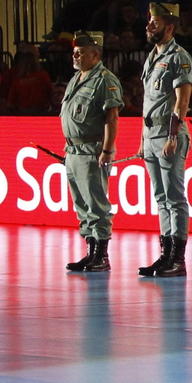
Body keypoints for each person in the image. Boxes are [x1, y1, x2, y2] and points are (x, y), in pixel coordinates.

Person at [136, 3, 192, 279]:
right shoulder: (152, 57)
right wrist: (142, 139)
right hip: (151, 135)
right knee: (160, 198)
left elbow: (181, 101)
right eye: (149, 20)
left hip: (168, 134)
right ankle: (165, 254)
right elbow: (148, 102)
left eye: (155, 22)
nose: (149, 25)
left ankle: (177, 258)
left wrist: (173, 135)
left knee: (174, 197)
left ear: (169, 27)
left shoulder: (178, 57)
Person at [61, 31, 123, 273]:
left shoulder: (105, 80)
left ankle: (101, 255)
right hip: (73, 150)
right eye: (75, 51)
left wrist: (107, 150)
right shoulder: (76, 79)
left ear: (95, 54)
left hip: (92, 149)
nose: (76, 55)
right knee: (81, 205)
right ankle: (90, 251)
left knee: (96, 204)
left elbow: (112, 117)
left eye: (81, 51)